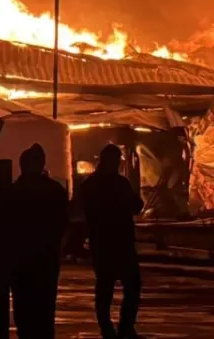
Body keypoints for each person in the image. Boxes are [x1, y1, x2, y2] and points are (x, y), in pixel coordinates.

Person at [79, 145, 144, 339]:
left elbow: (84, 212)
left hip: (102, 242)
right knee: (131, 285)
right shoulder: (119, 183)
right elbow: (136, 206)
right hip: (119, 241)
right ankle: (124, 328)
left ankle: (108, 329)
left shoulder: (89, 184)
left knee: (105, 288)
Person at [10, 144, 69, 339]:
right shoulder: (55, 190)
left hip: (21, 260)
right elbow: (64, 225)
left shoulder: (15, 191)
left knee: (24, 309)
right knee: (44, 310)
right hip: (46, 259)